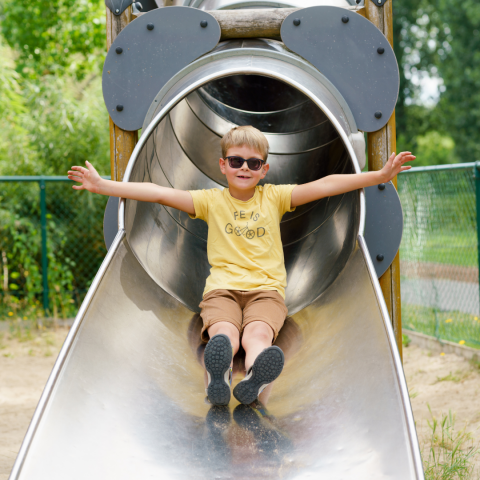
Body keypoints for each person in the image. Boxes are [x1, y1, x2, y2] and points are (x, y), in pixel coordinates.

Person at [68, 125, 414, 406]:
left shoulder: (275, 197)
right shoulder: (209, 201)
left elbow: (324, 186)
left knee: (258, 335)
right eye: (235, 161)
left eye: (252, 162)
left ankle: (254, 375)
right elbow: (158, 192)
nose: (244, 168)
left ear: (265, 169)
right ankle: (219, 373)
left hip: (266, 292)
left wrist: (377, 176)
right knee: (225, 333)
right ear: (222, 166)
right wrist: (104, 186)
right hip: (222, 290)